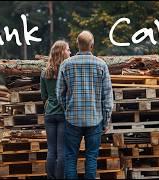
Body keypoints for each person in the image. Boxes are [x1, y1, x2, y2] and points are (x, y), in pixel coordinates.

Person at [56, 31, 113, 179]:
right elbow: (107, 97)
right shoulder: (101, 65)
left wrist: (67, 109)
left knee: (70, 157)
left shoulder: (66, 64)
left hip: (72, 119)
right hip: (95, 120)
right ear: (92, 45)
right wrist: (106, 120)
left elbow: (59, 93)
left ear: (77, 44)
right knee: (91, 157)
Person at [40, 40, 71, 179]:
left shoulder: (45, 72)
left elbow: (44, 96)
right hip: (63, 114)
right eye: (68, 50)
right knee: (61, 151)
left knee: (51, 150)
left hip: (50, 114)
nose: (70, 52)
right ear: (62, 52)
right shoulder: (67, 71)